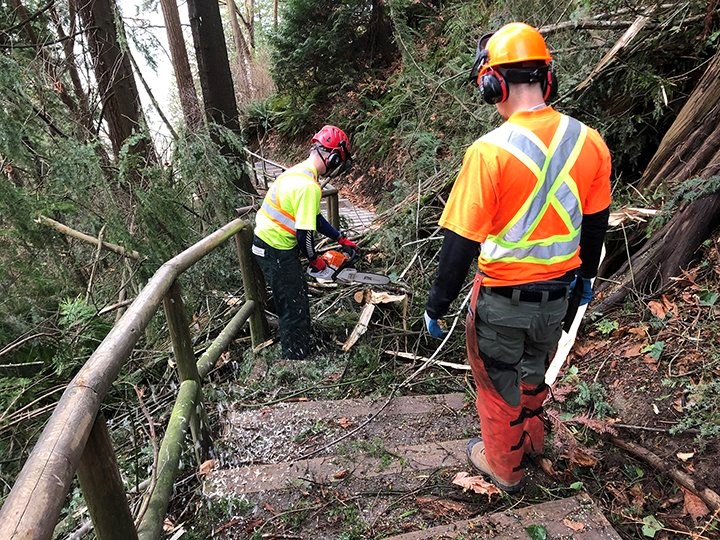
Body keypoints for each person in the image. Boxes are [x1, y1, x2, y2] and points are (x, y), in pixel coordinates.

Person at [424, 22, 611, 493]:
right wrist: (584, 280)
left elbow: (460, 242)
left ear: (492, 83)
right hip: (558, 299)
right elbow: (595, 225)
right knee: (533, 372)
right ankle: (531, 442)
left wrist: (437, 304)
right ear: (547, 78)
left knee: (498, 384)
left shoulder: (489, 152)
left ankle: (503, 468)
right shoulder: (591, 142)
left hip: (503, 300)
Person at [252, 125, 358, 360]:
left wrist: (339, 237)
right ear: (332, 158)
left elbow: (313, 218)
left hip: (267, 243)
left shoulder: (297, 172)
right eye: (338, 161)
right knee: (293, 305)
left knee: (294, 298)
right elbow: (305, 236)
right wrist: (316, 261)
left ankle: (297, 348)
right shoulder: (309, 186)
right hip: (276, 249)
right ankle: (294, 358)